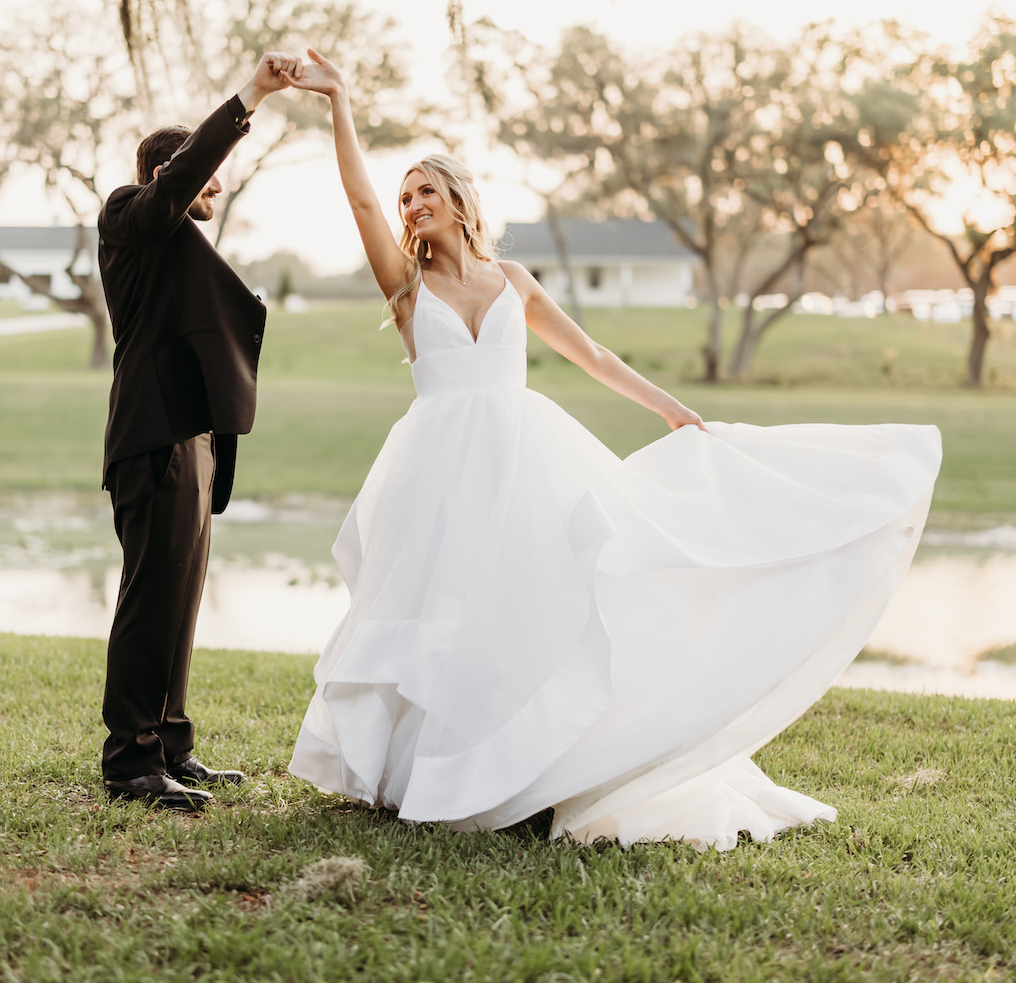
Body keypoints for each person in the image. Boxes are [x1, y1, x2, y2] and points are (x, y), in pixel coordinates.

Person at [282, 49, 943, 850]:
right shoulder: (407, 288)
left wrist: (667, 407)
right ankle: (431, 773)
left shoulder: (512, 281)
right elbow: (356, 199)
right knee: (443, 616)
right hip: (437, 470)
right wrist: (339, 102)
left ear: (459, 202)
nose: (410, 204)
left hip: (522, 458)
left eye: (425, 191)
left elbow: (590, 356)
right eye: (405, 196)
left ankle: (529, 776)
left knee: (529, 609)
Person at [95, 52, 300, 812]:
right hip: (152, 439)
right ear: (166, 173)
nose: (217, 183)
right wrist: (251, 96)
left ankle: (172, 745)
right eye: (204, 171)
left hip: (197, 442)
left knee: (182, 601)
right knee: (151, 599)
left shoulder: (180, 243)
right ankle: (130, 762)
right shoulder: (130, 215)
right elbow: (185, 180)